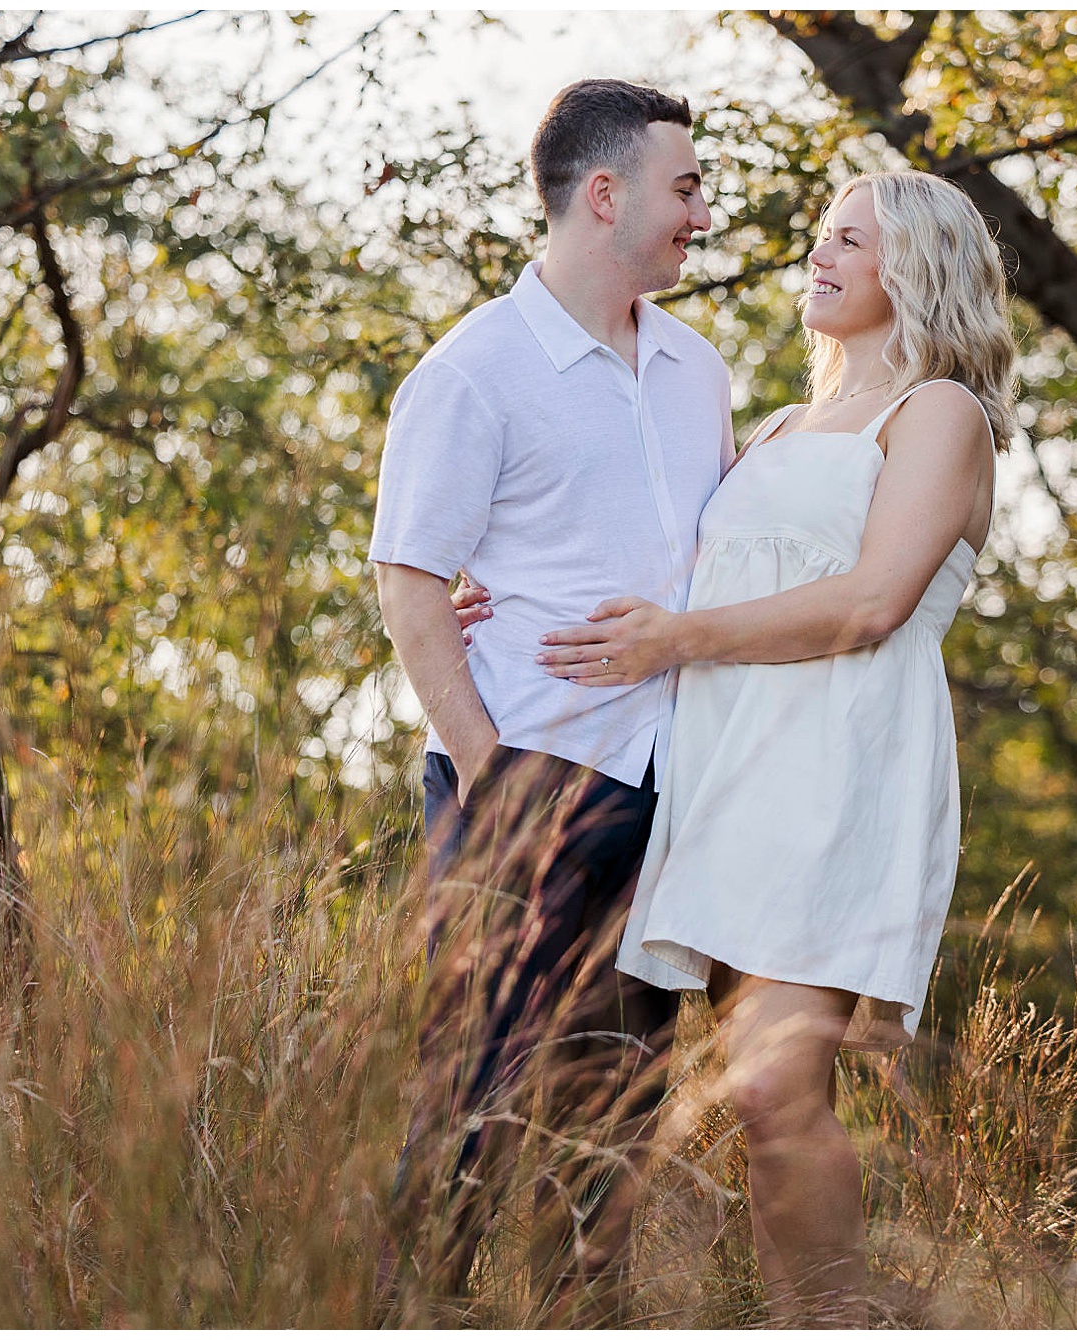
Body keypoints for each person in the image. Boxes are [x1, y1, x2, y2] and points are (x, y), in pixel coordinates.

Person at [529, 170, 1017, 1323]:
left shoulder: (936, 413)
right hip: (721, 769)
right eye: (821, 238)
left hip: (834, 773)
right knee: (705, 1094)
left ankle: (834, 1318)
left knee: (765, 1084)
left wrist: (678, 638)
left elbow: (868, 604)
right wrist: (489, 598)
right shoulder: (776, 428)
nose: (820, 255)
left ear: (919, 267)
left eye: (850, 239)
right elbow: (660, 564)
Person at [366, 78, 732, 1322]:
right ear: (603, 193)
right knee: (474, 1103)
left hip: (660, 787)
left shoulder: (696, 366)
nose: (701, 213)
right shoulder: (473, 370)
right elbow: (408, 576)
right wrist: (487, 767)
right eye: (685, 188)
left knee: (612, 1120)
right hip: (523, 778)